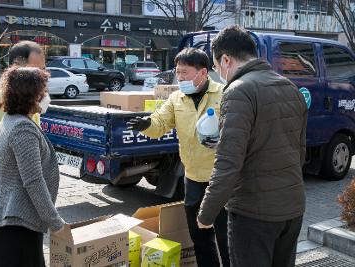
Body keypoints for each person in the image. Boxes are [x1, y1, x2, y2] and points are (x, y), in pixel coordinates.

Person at [197, 25, 307, 267]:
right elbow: (300, 153)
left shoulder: (238, 91)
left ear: (226, 59)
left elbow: (228, 164)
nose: (218, 73)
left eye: (216, 67)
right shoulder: (290, 87)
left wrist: (206, 214)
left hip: (253, 214)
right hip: (292, 209)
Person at [127, 48, 230, 267]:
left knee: (226, 237)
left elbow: (236, 131)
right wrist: (147, 125)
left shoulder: (224, 94)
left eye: (185, 72)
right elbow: (160, 123)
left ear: (203, 73)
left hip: (221, 180)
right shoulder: (177, 98)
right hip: (192, 178)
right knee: (199, 236)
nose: (180, 77)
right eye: (177, 72)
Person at [0, 66, 65, 267]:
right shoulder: (22, 129)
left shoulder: (11, 119)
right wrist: (56, 223)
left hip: (8, 219)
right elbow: (33, 181)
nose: (45, 95)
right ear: (31, 95)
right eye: (42, 91)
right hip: (16, 224)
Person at [0, 41, 45, 203]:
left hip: (30, 182)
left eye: (43, 69)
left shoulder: (31, 96)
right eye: (37, 70)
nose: (43, 76)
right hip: (4, 187)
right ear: (17, 66)